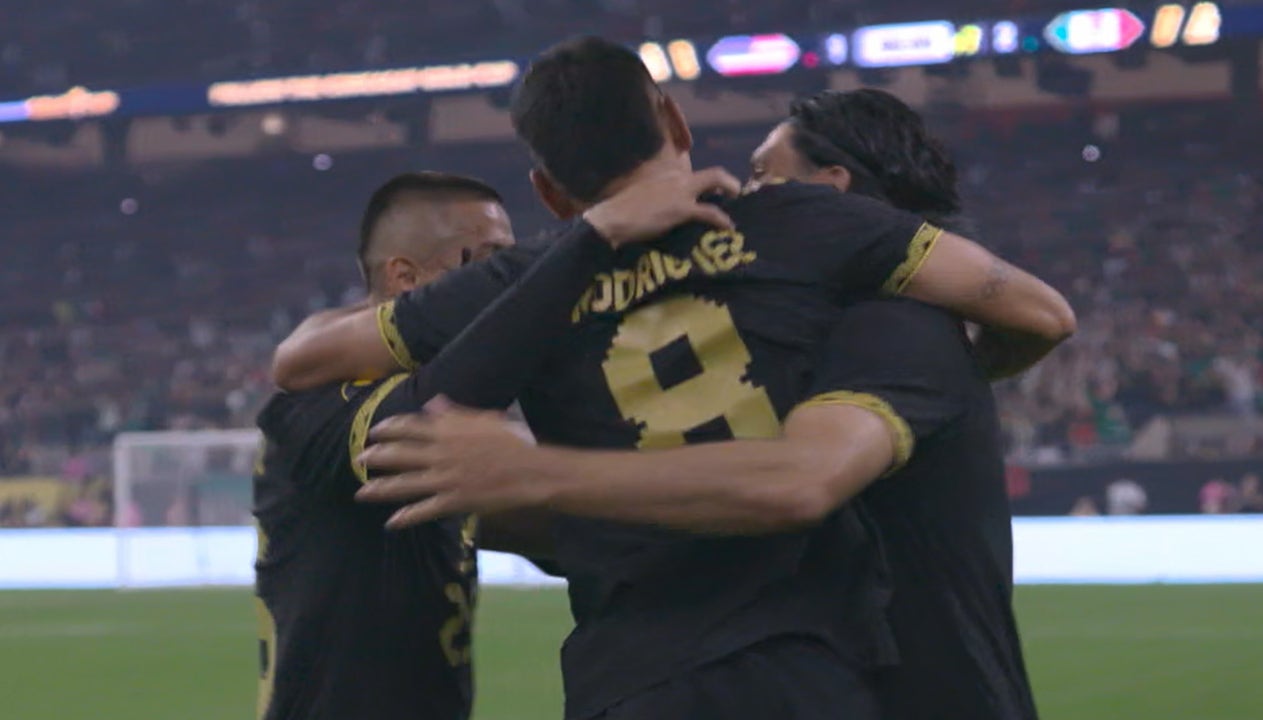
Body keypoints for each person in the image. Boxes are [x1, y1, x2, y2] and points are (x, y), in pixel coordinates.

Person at [275, 38, 1074, 720]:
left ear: (548, 192)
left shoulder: (527, 274)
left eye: (771, 175)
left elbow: (303, 361)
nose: (758, 188)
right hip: (798, 659)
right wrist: (974, 377)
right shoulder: (807, 231)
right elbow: (1039, 310)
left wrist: (524, 471)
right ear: (676, 120)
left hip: (620, 677)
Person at [253, 168, 736, 720]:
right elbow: (433, 409)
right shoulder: (315, 408)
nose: (509, 279)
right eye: (489, 259)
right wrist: (587, 243)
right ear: (407, 278)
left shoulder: (450, 428)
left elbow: (566, 528)